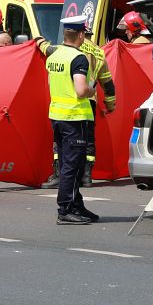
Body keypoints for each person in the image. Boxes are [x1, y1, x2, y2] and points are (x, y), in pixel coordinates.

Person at [36, 21, 116, 189]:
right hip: (89, 103)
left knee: (61, 143)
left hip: (65, 104)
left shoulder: (60, 50)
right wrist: (110, 105)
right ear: (86, 34)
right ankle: (86, 176)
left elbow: (46, 49)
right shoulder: (99, 53)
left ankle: (59, 175)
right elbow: (107, 82)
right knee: (88, 141)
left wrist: (37, 41)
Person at [40, 15, 104, 224]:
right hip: (75, 118)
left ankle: (76, 204)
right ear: (81, 35)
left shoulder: (54, 56)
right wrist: (91, 89)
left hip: (57, 116)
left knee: (69, 163)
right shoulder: (78, 58)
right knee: (72, 165)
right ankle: (65, 209)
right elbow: (80, 89)